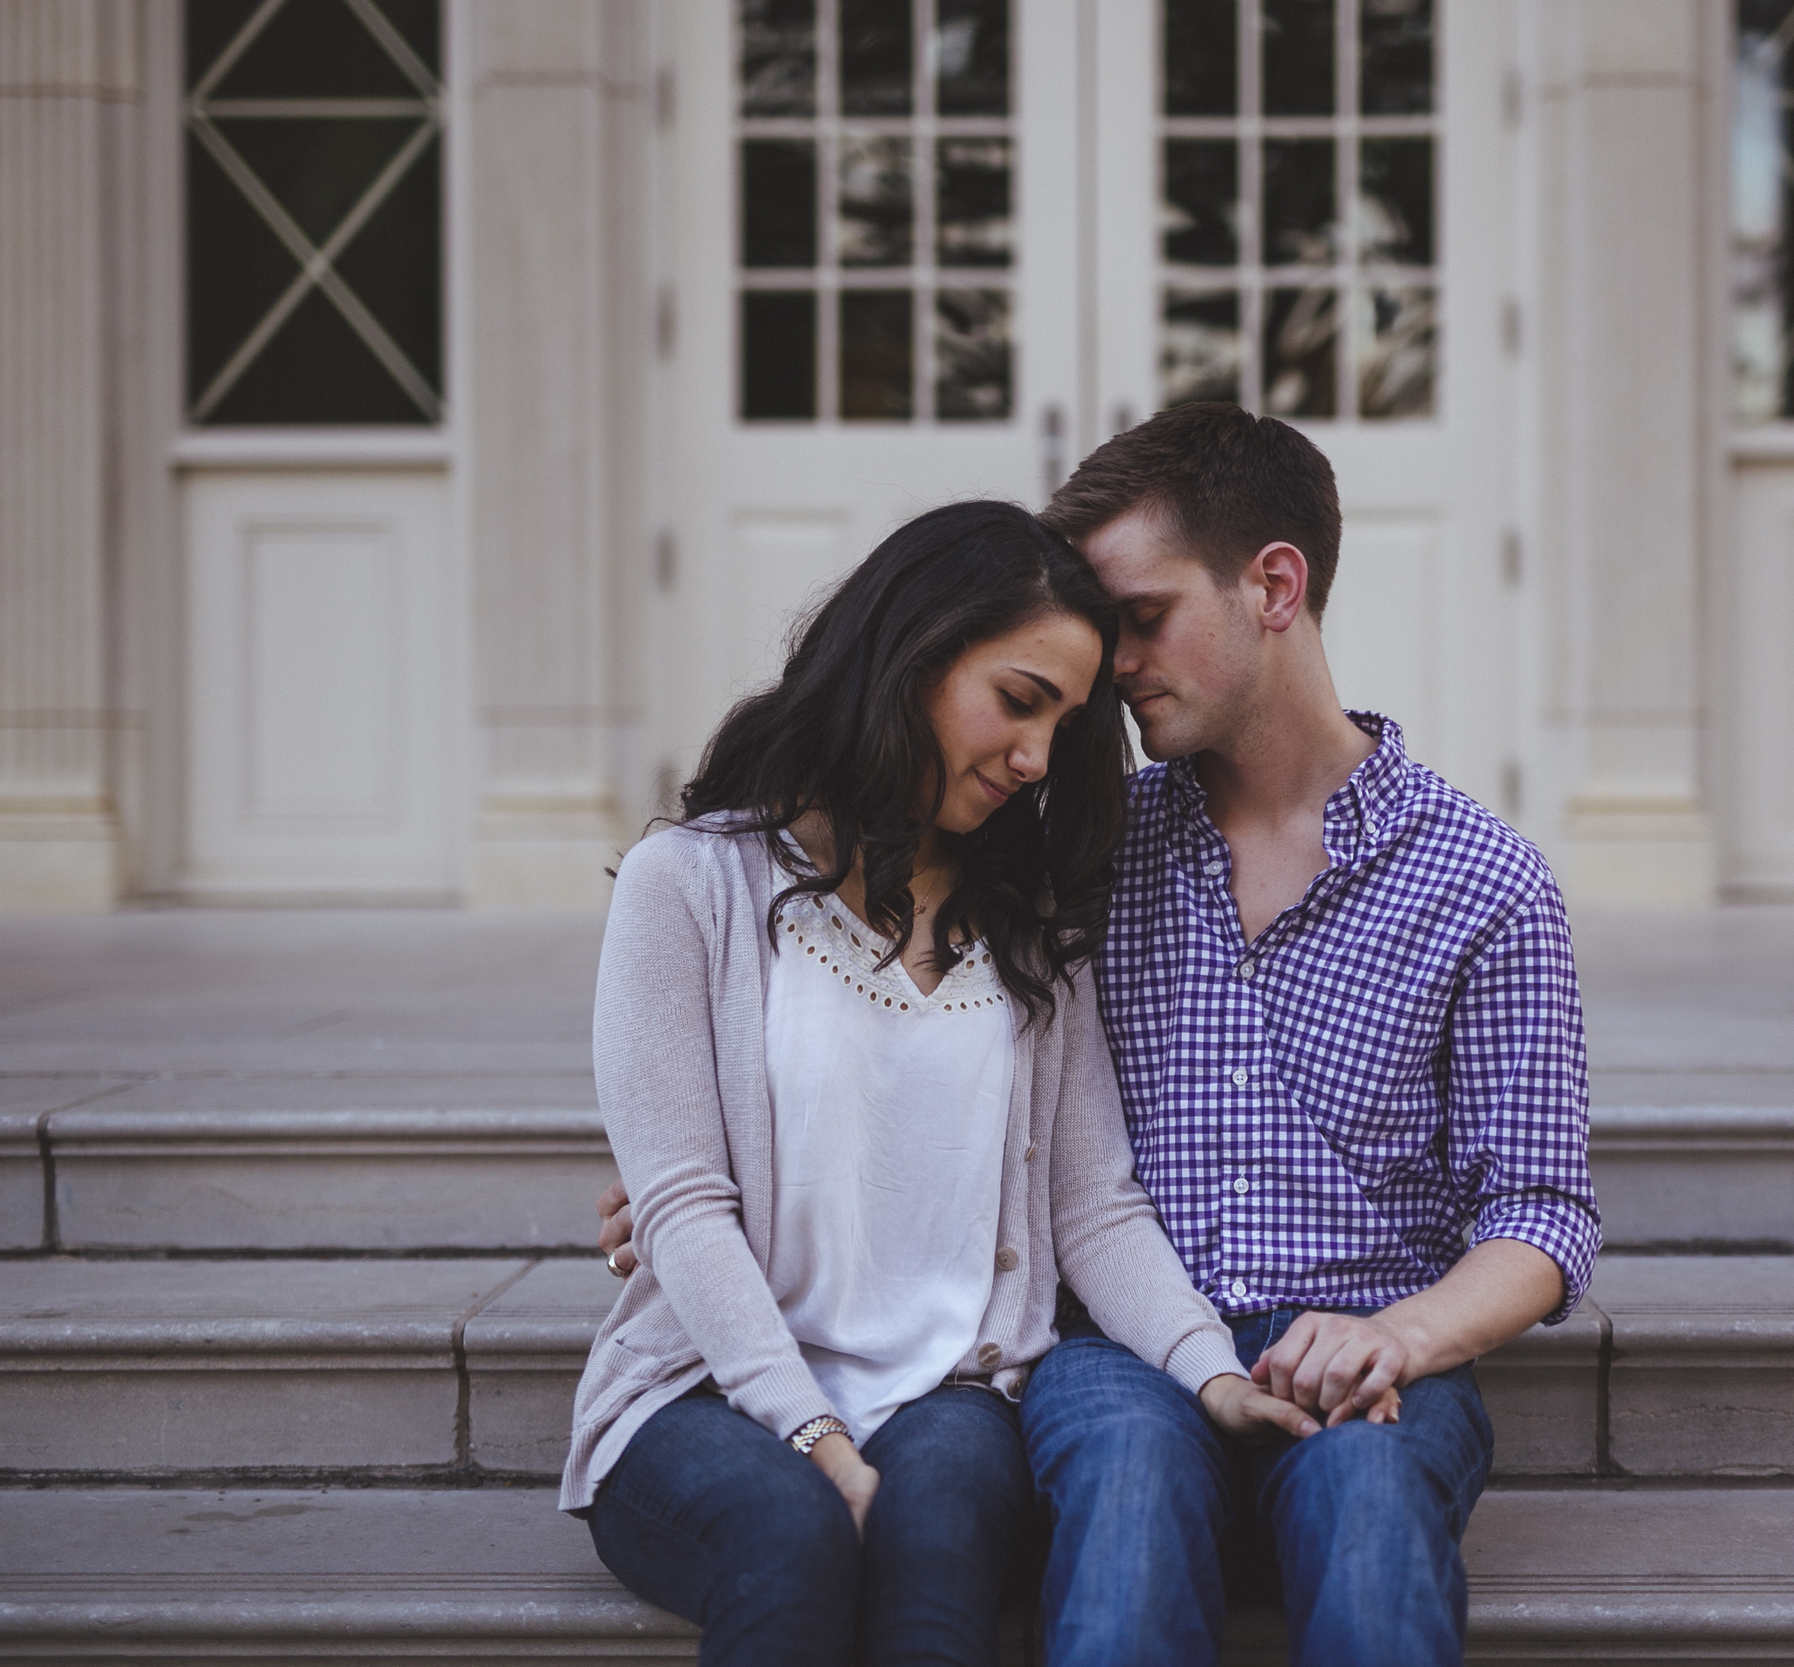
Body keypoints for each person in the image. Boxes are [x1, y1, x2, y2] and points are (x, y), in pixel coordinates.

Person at [602, 406, 1599, 1665]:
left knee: (1368, 1517)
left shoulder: (1486, 882)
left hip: (1364, 1343)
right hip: (1117, 1352)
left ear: (1274, 586)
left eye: (1142, 618)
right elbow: (868, 1037)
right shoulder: (1082, 853)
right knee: (1122, 1500)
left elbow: (1544, 1212)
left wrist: (1396, 1335)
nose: (1110, 675)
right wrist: (711, 1169)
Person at [565, 499, 1319, 1667]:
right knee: (791, 1536)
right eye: (1019, 700)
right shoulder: (689, 886)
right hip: (703, 1389)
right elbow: (680, 1206)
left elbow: (1093, 1204)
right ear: (911, 652)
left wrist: (1211, 1372)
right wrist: (817, 1439)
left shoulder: (1030, 929)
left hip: (949, 1389)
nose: (1034, 755)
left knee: (940, 1539)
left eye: (1062, 725)